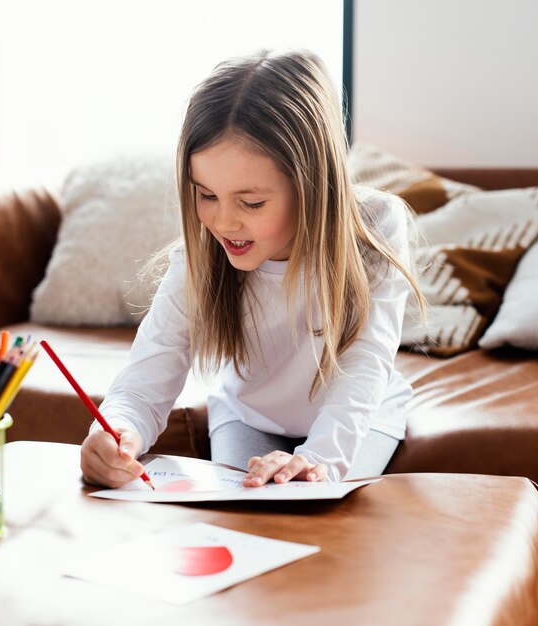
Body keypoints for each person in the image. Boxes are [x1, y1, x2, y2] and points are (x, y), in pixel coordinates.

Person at [80, 49, 424, 489]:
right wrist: (115, 430)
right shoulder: (202, 254)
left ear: (312, 185)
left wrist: (320, 460)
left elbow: (365, 363)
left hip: (362, 416)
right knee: (248, 513)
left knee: (312, 504)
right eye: (206, 195)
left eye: (252, 202)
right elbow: (148, 371)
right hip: (248, 415)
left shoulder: (375, 226)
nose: (223, 223)